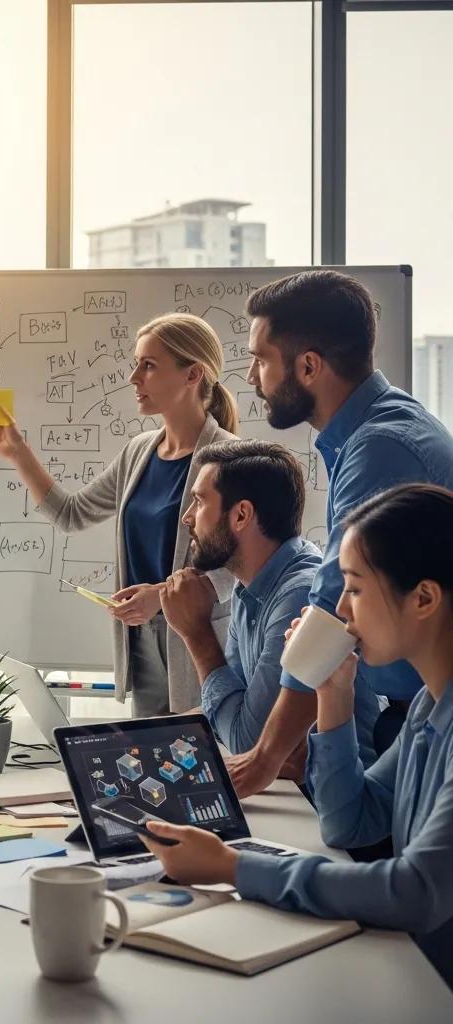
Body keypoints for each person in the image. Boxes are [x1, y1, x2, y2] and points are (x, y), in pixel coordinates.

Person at [138, 484, 453, 989]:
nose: (343, 613)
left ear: (423, 598)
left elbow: (414, 891)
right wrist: (334, 695)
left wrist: (232, 867)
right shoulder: (428, 707)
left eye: (354, 588)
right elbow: (349, 823)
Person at [228, 269, 453, 798]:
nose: (252, 376)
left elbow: (330, 618)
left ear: (307, 366)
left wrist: (265, 755)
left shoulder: (380, 447)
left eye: (261, 359)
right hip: (413, 713)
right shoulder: (378, 428)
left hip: (422, 722)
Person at [0, 313, 238, 716]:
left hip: (203, 641)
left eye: (148, 365)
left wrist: (161, 597)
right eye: (136, 363)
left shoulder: (231, 457)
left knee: (198, 765)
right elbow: (71, 514)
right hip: (142, 641)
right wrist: (17, 452)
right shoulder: (139, 452)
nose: (133, 377)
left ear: (192, 374)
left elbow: (246, 568)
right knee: (152, 766)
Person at [159, 439, 323, 765]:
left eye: (199, 502)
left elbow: (248, 741)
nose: (187, 518)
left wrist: (196, 632)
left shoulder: (299, 597)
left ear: (241, 515)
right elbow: (234, 703)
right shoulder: (250, 584)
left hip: (313, 806)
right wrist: (132, 735)